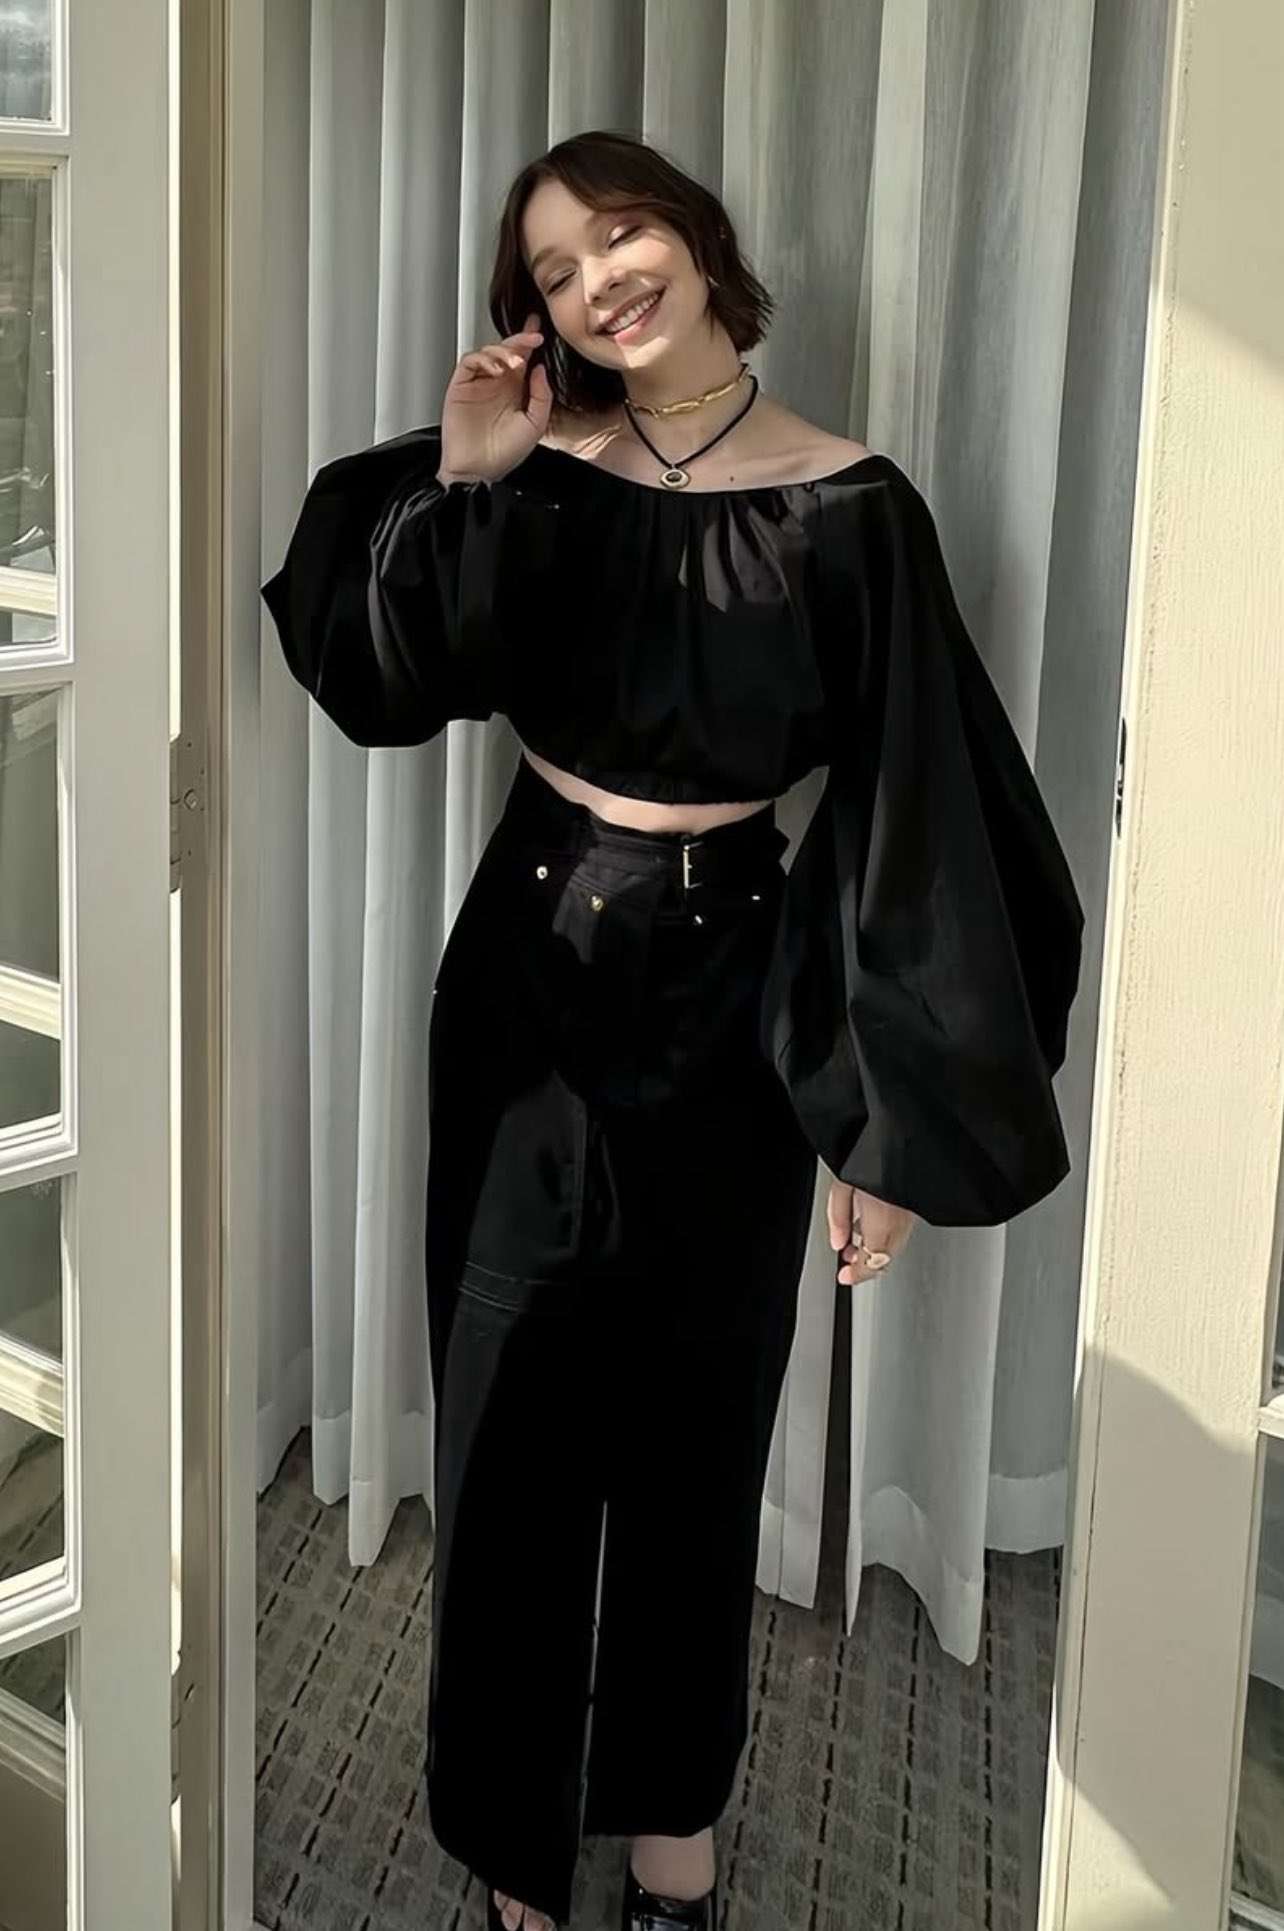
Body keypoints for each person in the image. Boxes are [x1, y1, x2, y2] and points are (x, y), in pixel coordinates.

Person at [260, 128, 1084, 1931]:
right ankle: (510, 1845)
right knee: (508, 1417)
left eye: (619, 236)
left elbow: (922, 815)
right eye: (554, 273)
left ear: (697, 241)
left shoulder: (853, 505)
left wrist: (884, 1128)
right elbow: (380, 674)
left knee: (703, 1426)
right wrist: (470, 475)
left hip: (733, 995)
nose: (597, 284)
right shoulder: (536, 475)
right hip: (527, 976)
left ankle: (669, 1829)